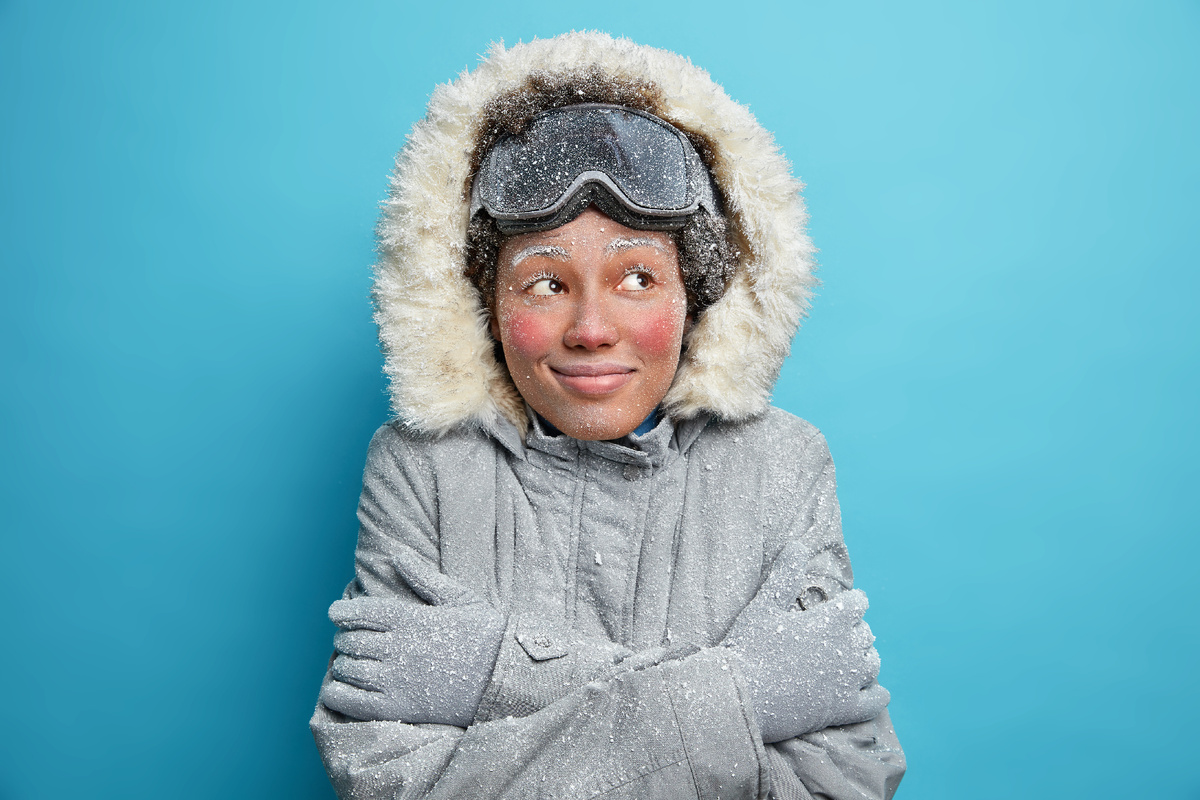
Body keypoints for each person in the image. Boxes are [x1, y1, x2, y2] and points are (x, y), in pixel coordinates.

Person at [311, 32, 905, 799]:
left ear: (696, 298)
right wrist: (750, 694)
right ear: (483, 308)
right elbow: (388, 780)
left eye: (636, 276)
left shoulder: (784, 466)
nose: (591, 328)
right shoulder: (420, 468)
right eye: (545, 283)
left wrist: (489, 671)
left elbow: (843, 777)